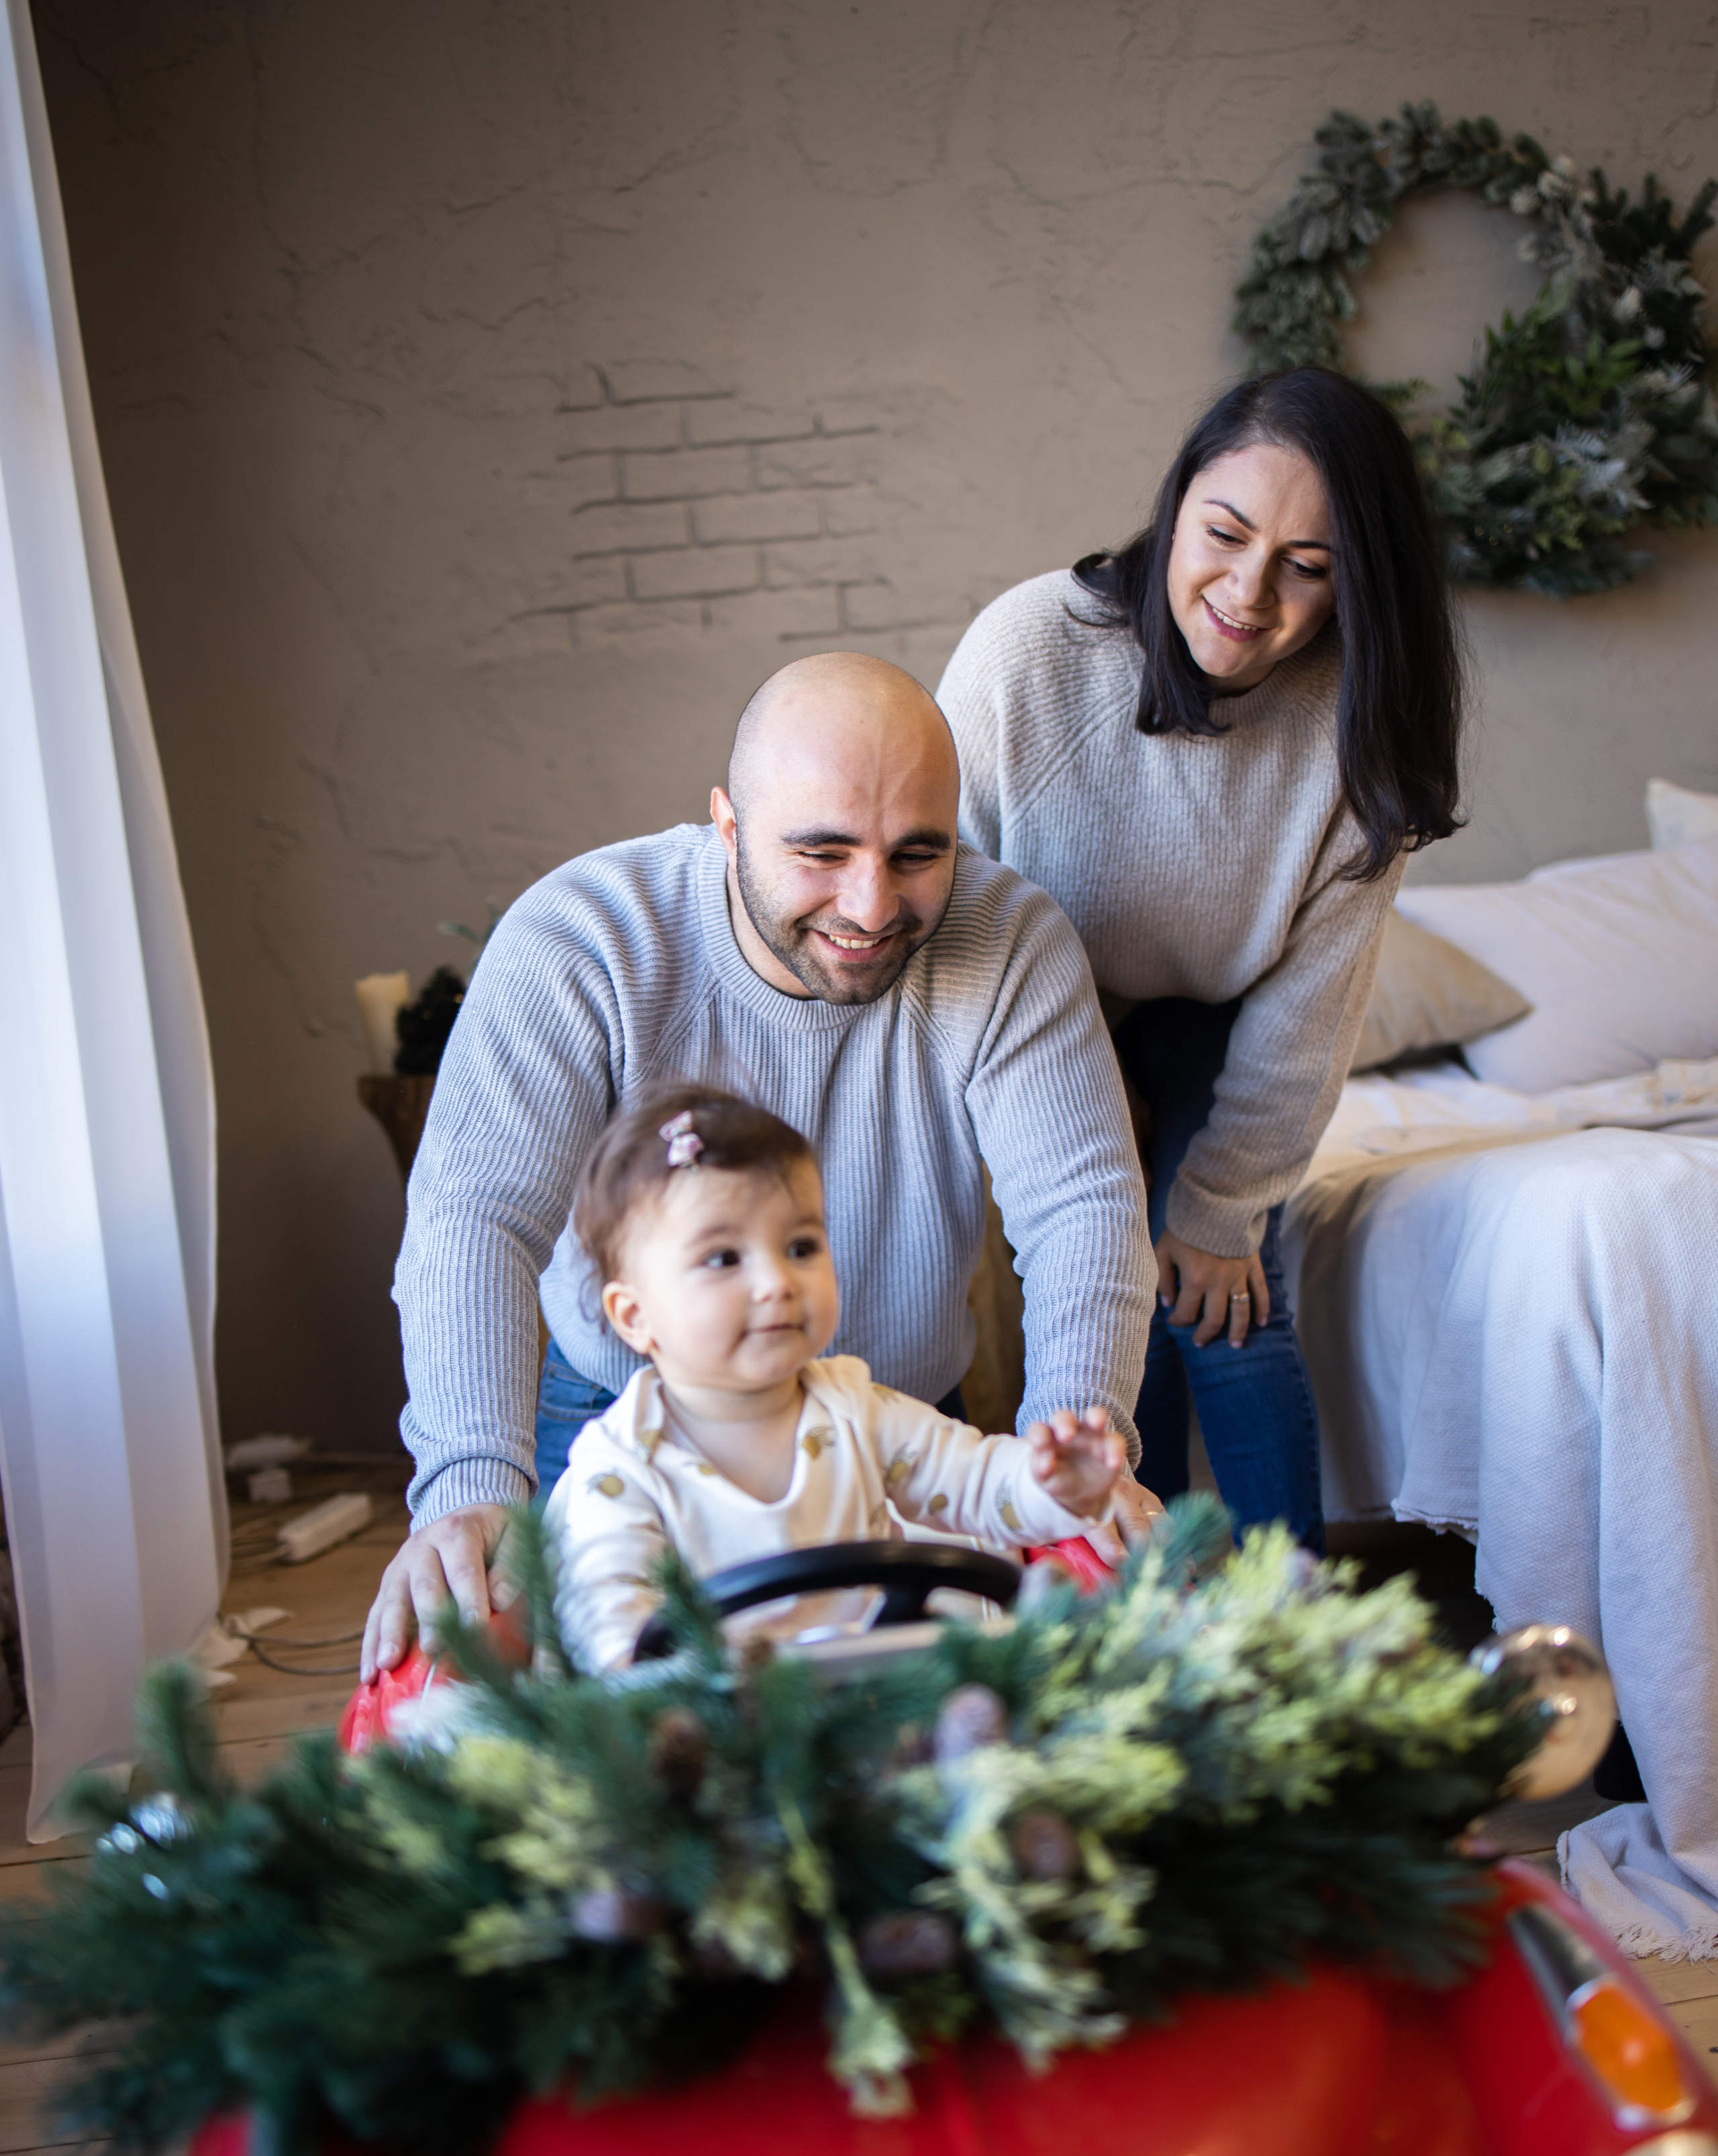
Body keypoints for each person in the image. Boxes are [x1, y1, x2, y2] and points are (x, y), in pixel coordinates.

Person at [361, 651, 1156, 1681]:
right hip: (618, 1420)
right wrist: (471, 1484)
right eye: (823, 852)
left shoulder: (1011, 943)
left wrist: (1077, 1463)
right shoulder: (581, 939)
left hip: (897, 1426)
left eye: (918, 854)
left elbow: (1082, 1208)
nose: (872, 907)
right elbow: (474, 1219)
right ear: (729, 826)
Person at [936, 366, 1463, 1551]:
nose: (1247, 592)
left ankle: (1297, 1628)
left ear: (1356, 584)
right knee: (1119, 1304)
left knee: (1225, 1304)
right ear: (1176, 508)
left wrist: (1219, 1207)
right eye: (1223, 535)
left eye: (1308, 567)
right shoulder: (1032, 652)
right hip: (1037, 1017)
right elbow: (950, 898)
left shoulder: (1356, 727)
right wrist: (1089, 1103)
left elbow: (1312, 1014)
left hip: (1225, 1024)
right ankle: (1144, 1602)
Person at [548, 1085, 1127, 1669]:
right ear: (635, 1315)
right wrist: (632, 1668)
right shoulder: (623, 1465)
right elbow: (610, 1615)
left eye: (801, 1247)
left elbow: (976, 1482)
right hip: (720, 1731)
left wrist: (1051, 1484)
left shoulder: (858, 1410)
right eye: (725, 1258)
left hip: (881, 1702)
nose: (777, 1281)